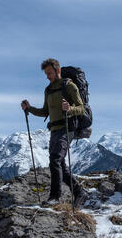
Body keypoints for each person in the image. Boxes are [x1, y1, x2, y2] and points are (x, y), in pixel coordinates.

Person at [21, 58, 85, 205]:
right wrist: (29, 108)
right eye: (46, 74)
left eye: (49, 73)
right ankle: (80, 192)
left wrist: (70, 109)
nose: (47, 76)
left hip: (67, 127)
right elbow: (45, 112)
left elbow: (81, 108)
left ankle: (55, 197)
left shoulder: (69, 86)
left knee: (55, 160)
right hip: (54, 129)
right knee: (60, 164)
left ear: (58, 70)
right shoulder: (48, 90)